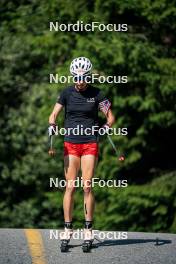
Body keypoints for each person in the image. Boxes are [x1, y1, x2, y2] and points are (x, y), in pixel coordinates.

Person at [48, 57, 115, 241]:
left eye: (82, 78)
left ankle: (88, 228)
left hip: (89, 143)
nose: (78, 82)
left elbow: (110, 118)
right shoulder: (66, 93)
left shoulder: (98, 94)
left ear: (88, 77)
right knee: (70, 186)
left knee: (86, 186)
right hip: (70, 143)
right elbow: (53, 114)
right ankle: (68, 227)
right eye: (75, 78)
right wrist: (52, 123)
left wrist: (106, 127)